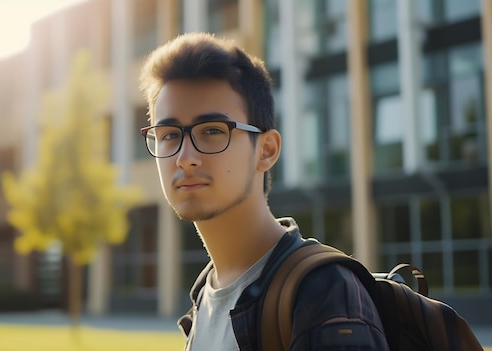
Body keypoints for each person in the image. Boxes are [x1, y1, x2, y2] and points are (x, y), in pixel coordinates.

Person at [138, 32, 388, 350]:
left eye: (213, 131)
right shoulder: (205, 296)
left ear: (266, 150)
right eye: (169, 135)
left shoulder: (323, 293)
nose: (186, 158)